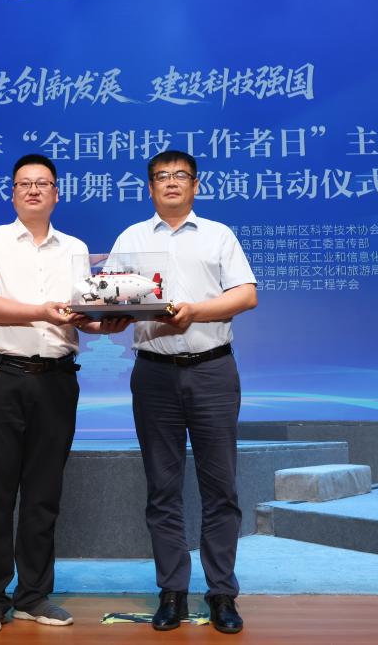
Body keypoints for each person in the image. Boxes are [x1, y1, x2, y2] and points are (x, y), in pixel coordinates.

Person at [0, 153, 126, 635]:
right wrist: (41, 311)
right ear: (12, 193)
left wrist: (106, 324)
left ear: (57, 193)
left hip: (56, 379)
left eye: (42, 183)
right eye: (24, 183)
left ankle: (33, 594)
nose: (33, 190)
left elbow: (77, 316)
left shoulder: (74, 248)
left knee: (43, 492)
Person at [109, 150, 257, 634]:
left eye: (180, 176)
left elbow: (246, 294)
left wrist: (195, 311)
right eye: (161, 176)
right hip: (154, 373)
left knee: (221, 487)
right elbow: (110, 298)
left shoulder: (219, 235)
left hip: (212, 370)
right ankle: (171, 591)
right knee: (162, 487)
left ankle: (222, 594)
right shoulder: (131, 238)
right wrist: (97, 317)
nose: (171, 183)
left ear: (195, 185)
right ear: (150, 187)